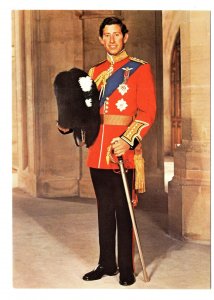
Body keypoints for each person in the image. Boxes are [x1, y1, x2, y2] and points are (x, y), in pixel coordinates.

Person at [81, 17, 156, 286]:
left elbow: (147, 112)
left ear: (125, 37)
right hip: (97, 151)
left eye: (116, 34)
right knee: (104, 209)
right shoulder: (94, 72)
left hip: (122, 151)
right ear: (101, 39)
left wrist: (128, 140)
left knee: (123, 210)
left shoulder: (139, 69)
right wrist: (71, 124)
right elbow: (88, 112)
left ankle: (125, 266)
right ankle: (106, 263)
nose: (112, 40)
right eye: (107, 35)